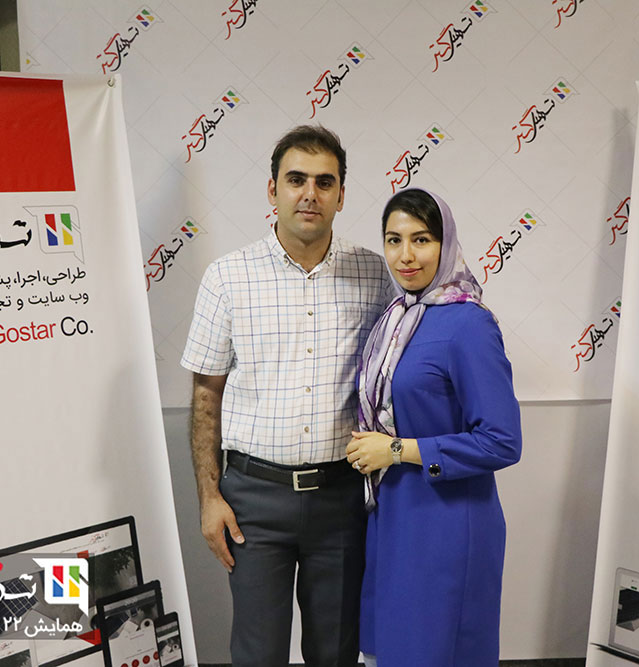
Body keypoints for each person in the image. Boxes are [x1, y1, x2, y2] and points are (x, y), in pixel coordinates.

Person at [181, 125, 392, 667]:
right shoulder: (228, 277)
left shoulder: (375, 273)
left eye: (325, 182)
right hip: (253, 501)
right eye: (296, 180)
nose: (310, 194)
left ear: (341, 195)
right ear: (273, 190)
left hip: (340, 499)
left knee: (335, 653)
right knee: (258, 655)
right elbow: (205, 395)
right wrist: (209, 498)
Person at [347, 187, 522, 667]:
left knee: (435, 653)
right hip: (394, 517)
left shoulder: (469, 324)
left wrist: (396, 450)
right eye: (394, 240)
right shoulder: (394, 319)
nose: (405, 255)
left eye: (421, 239)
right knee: (394, 652)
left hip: (446, 525)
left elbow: (502, 441)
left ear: (446, 245)